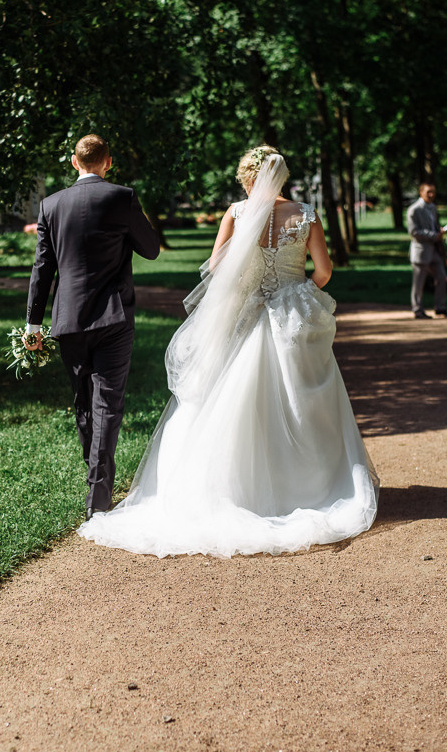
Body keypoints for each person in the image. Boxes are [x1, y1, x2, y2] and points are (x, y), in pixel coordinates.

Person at [77, 147, 379, 557]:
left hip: (246, 313)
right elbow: (324, 272)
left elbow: (217, 268)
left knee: (229, 402)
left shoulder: (237, 214)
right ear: (282, 175)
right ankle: (311, 487)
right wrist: (298, 290)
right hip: (289, 317)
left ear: (247, 178)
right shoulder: (305, 214)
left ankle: (235, 491)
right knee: (301, 400)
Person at [24, 134, 161, 519]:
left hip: (68, 319)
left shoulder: (50, 205)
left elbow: (42, 268)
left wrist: (33, 323)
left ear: (73, 162)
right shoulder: (122, 197)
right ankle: (97, 496)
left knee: (84, 402)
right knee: (107, 404)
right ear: (108, 162)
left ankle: (95, 483)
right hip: (113, 316)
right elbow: (151, 248)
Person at [406, 182, 447, 319]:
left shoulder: (433, 208)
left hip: (434, 251)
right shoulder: (414, 210)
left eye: (433, 192)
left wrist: (440, 231)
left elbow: (434, 225)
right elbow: (414, 232)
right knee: (419, 283)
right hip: (421, 251)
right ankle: (417, 309)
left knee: (442, 277)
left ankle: (440, 307)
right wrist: (434, 236)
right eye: (428, 192)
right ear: (421, 192)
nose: (431, 195)